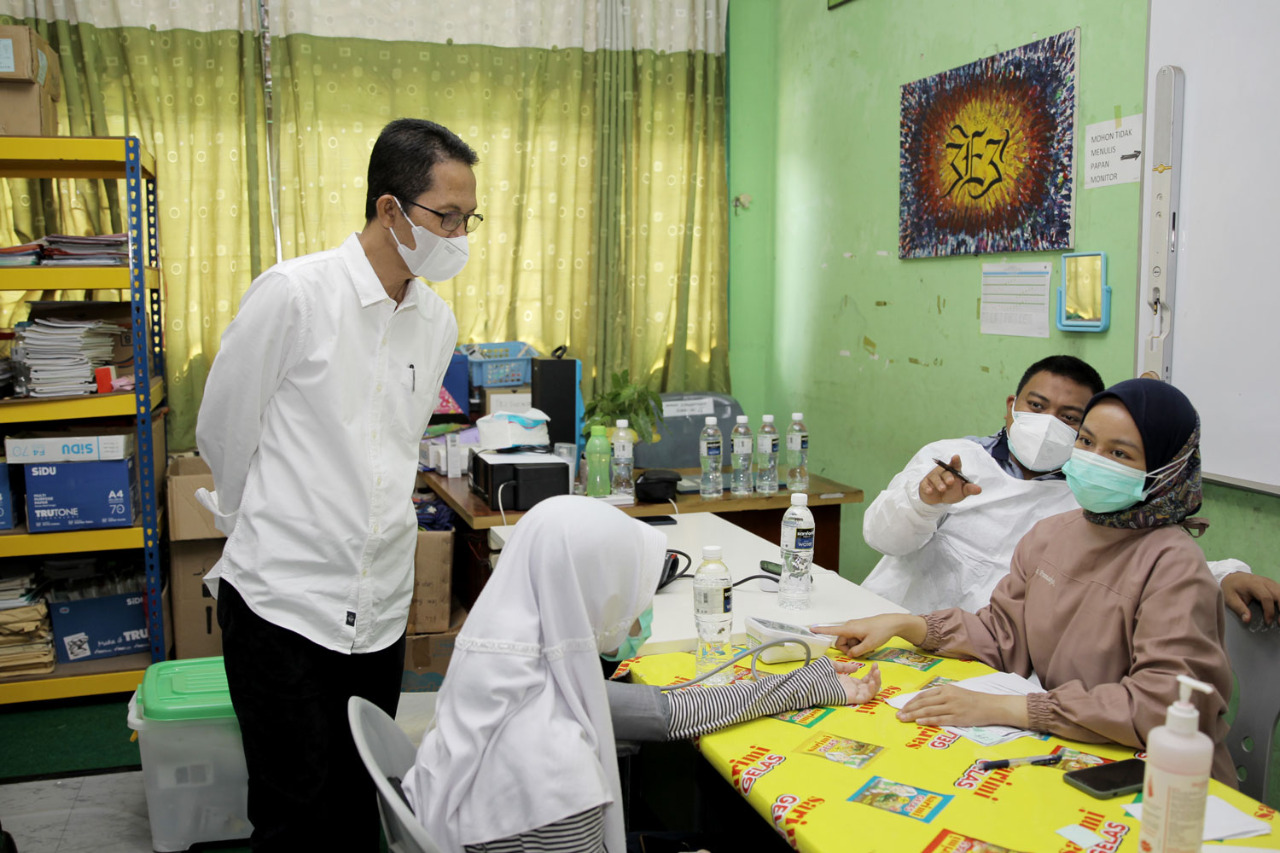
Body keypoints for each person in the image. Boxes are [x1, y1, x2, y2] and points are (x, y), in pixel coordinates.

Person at [194, 118, 481, 851]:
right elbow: (225, 428)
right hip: (283, 603)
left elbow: (396, 446)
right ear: (390, 209)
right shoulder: (294, 295)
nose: (460, 234)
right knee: (294, 814)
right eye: (445, 215)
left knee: (360, 806)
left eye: (469, 218)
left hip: (378, 611)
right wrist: (262, 521)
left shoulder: (436, 321)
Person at [402, 496, 882, 853]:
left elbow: (663, 711)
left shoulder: (500, 666)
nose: (640, 604)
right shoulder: (552, 769)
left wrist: (809, 683)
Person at [821, 379, 1237, 784]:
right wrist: (904, 625)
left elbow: (1162, 706)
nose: (1095, 459)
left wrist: (1015, 709)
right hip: (1066, 752)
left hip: (1156, 780)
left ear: (1167, 470)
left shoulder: (1174, 564)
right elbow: (1005, 635)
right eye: (1087, 442)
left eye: (1120, 453)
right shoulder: (1053, 533)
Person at [859, 354, 1269, 616]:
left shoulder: (1091, 494)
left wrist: (1226, 576)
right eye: (1036, 407)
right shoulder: (955, 459)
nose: (1049, 423)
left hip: (987, 658)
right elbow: (881, 538)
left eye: (1071, 417)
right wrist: (924, 503)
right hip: (893, 621)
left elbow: (1151, 558)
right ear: (1011, 408)